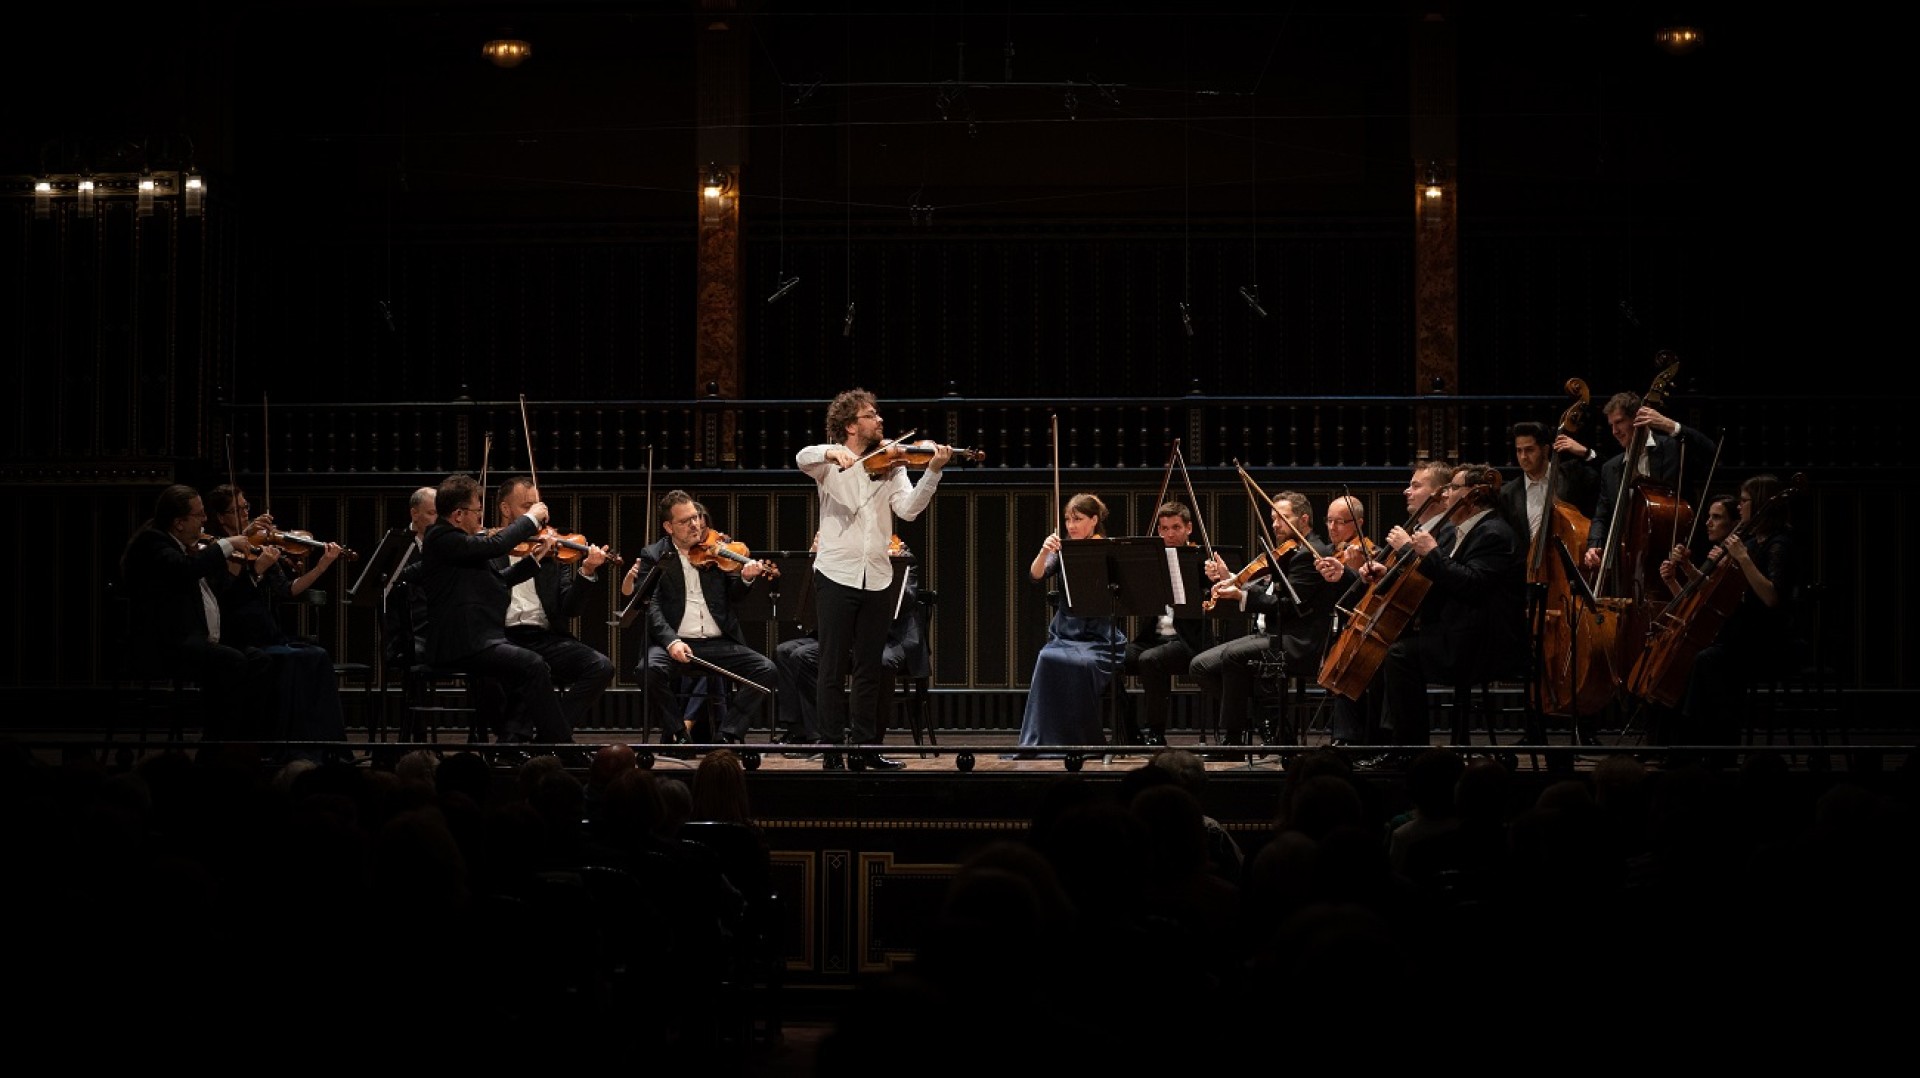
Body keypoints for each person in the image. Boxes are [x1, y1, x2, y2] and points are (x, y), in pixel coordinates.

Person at [796, 389, 949, 772]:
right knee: (831, 667)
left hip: (879, 576)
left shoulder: (893, 465)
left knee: (870, 668)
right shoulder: (828, 463)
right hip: (836, 573)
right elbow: (802, 456)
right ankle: (832, 749)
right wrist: (832, 453)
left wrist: (932, 472)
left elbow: (908, 510)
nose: (879, 420)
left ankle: (865, 749)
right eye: (870, 415)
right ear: (851, 426)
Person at [1376, 463, 1528, 756]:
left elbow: (1472, 584)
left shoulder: (1493, 533)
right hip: (1458, 633)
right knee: (1389, 645)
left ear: (1472, 495)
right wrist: (1389, 573)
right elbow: (1436, 576)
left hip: (1483, 643)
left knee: (1400, 655)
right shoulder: (1456, 531)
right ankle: (1386, 743)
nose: (1445, 495)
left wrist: (1426, 552)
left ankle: (1410, 751)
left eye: (1453, 488)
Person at [415, 473, 572, 746]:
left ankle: (512, 741)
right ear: (458, 515)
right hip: (460, 642)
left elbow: (498, 581)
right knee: (533, 665)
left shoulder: (461, 544)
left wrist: (534, 559)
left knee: (534, 666)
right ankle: (559, 746)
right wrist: (531, 518)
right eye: (477, 511)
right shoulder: (442, 538)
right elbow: (496, 544)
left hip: (478, 639)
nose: (481, 518)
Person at [117, 484, 272, 743]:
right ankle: (216, 746)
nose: (205, 520)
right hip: (166, 645)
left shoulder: (186, 548)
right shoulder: (154, 543)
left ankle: (245, 743)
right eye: (199, 515)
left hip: (195, 639)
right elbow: (184, 570)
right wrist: (225, 545)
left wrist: (248, 567)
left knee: (259, 660)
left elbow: (217, 590)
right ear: (179, 522)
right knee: (231, 662)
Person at [201, 484, 348, 753]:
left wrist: (322, 566)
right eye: (237, 510)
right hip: (239, 636)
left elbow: (287, 590)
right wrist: (256, 570)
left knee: (318, 656)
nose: (245, 514)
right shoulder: (215, 550)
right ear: (221, 517)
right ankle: (286, 745)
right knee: (300, 660)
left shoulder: (258, 546)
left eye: (246, 507)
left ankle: (323, 747)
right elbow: (224, 598)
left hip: (268, 632)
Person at [1314, 467, 1454, 748]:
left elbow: (1438, 580)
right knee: (1361, 652)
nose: (1407, 491)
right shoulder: (1419, 530)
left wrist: (1404, 551)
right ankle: (1364, 742)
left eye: (1416, 485)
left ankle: (1392, 745)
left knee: (1384, 654)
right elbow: (1408, 578)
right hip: (1407, 622)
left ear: (1440, 493)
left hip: (1433, 627)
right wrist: (1378, 572)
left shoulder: (1445, 532)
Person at [1188, 492, 1340, 747]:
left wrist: (1240, 595)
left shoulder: (1310, 553)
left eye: (1282, 518)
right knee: (1200, 666)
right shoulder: (1288, 552)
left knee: (1233, 656)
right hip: (1269, 637)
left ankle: (1234, 739)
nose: (1275, 524)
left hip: (1296, 642)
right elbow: (1266, 589)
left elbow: (1289, 606)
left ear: (1304, 519)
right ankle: (1265, 718)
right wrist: (1232, 578)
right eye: (1273, 518)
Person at [634, 489, 779, 745]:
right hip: (676, 644)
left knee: (765, 669)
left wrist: (746, 579)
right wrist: (671, 641)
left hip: (717, 642)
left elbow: (735, 596)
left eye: (696, 517)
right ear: (668, 527)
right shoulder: (654, 555)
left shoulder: (718, 549)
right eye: (685, 521)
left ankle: (728, 734)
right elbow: (650, 604)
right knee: (648, 670)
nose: (695, 525)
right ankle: (678, 733)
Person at [1662, 476, 1797, 751]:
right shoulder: (1752, 541)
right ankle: (1689, 742)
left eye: (1744, 501)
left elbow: (1771, 598)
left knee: (1708, 659)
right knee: (1695, 655)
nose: (1739, 507)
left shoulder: (1778, 544)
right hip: (1741, 634)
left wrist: (1742, 557)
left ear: (1760, 504)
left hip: (1767, 640)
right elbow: (1717, 593)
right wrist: (1689, 569)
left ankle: (1714, 747)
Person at [489, 476, 615, 738]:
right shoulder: (488, 548)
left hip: (545, 638)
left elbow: (570, 609)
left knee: (601, 666)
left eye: (538, 507)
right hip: (501, 638)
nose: (536, 515)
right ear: (505, 509)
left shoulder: (552, 551)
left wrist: (587, 571)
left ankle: (551, 737)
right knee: (531, 666)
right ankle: (517, 742)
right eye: (527, 507)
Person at [773, 535, 926, 749]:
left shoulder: (903, 555)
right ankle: (807, 733)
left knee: (881, 662)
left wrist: (887, 568)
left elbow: (906, 600)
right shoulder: (842, 557)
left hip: (892, 638)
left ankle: (871, 742)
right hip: (849, 636)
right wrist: (815, 559)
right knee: (789, 652)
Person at [1017, 493, 1127, 751]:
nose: (1071, 525)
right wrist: (1045, 551)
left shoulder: (1109, 549)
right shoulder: (1063, 549)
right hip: (1065, 634)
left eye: (1077, 519)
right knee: (1046, 658)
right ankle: (1046, 740)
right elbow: (1036, 575)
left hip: (1100, 638)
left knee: (1081, 664)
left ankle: (1080, 739)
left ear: (1094, 520)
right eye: (1067, 519)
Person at [1580, 391, 1716, 581]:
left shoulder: (1673, 448)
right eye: (1611, 425)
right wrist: (1594, 545)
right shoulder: (1610, 468)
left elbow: (1711, 452)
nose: (1614, 431)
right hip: (1629, 563)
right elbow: (1602, 515)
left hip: (1676, 557)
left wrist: (1670, 426)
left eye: (1619, 422)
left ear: (1638, 419)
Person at [1121, 501, 1207, 747]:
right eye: (1165, 528)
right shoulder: (1152, 561)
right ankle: (1128, 731)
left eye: (1176, 527)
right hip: (1152, 639)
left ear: (1188, 528)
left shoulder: (1200, 559)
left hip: (1187, 642)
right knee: (1111, 657)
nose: (1170, 534)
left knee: (1150, 660)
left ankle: (1155, 732)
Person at [1499, 419, 1600, 543]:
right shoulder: (1508, 493)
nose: (1523, 457)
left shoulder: (1571, 474)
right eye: (1519, 450)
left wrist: (1586, 453)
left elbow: (1608, 474)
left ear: (1545, 450)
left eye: (1529, 450)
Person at [381, 485, 438, 667]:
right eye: (431, 513)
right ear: (414, 514)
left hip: (438, 630)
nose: (437, 520)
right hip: (408, 634)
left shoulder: (443, 545)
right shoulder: (395, 547)